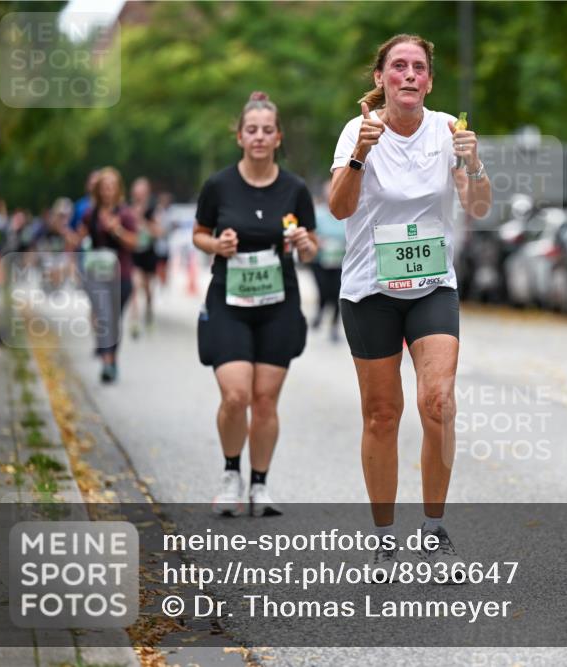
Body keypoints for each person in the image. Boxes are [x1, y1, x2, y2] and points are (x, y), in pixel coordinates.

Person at [328, 34, 491, 576]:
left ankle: (433, 527)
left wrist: (475, 164)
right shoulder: (359, 130)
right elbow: (338, 208)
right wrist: (359, 155)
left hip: (431, 284)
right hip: (371, 288)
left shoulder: (449, 131)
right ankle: (383, 537)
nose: (408, 75)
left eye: (418, 67)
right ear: (380, 79)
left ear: (429, 80)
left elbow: (479, 206)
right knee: (382, 415)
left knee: (439, 401)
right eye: (398, 66)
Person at [193, 91, 317, 517]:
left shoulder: (295, 189)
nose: (260, 137)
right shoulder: (219, 185)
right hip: (228, 299)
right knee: (235, 396)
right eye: (252, 130)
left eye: (267, 130)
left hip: (278, 303)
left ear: (278, 137)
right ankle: (231, 475)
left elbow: (312, 249)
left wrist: (303, 242)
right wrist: (217, 243)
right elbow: (199, 234)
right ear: (240, 137)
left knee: (264, 401)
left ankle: (260, 485)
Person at [77, 167, 139, 383]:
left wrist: (117, 230)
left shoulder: (125, 214)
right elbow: (80, 239)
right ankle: (106, 361)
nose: (108, 191)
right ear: (98, 190)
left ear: (118, 189)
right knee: (104, 318)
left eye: (112, 187)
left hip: (121, 274)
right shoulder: (89, 214)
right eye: (104, 187)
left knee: (114, 319)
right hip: (97, 274)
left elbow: (134, 243)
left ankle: (112, 359)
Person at [310, 182, 346, 341]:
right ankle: (320, 311)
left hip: (340, 260)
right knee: (324, 291)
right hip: (320, 261)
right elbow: (310, 233)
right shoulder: (318, 214)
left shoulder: (347, 213)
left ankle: (334, 326)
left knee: (337, 293)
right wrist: (319, 241)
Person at [128, 176, 160, 337]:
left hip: (149, 253)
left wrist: (142, 221)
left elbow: (158, 232)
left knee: (147, 288)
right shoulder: (128, 208)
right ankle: (134, 320)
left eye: (141, 192)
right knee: (135, 285)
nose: (138, 195)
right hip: (134, 253)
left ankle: (148, 309)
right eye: (136, 192)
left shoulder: (152, 209)